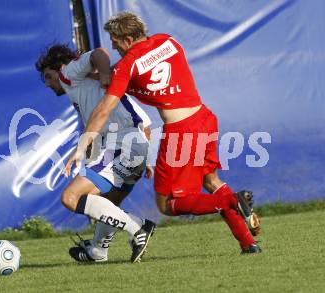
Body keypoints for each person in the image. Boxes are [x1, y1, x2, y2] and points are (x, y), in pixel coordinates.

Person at [65, 12, 262, 254]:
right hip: (205, 118)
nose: (114, 46)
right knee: (212, 181)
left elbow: (104, 109)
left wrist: (82, 145)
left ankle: (234, 200)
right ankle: (248, 243)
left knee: (168, 204)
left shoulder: (127, 66)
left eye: (115, 41)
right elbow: (142, 65)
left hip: (181, 131)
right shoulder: (169, 41)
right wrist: (108, 75)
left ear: (126, 38)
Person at [35, 44, 156, 263]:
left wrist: (105, 76)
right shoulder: (91, 91)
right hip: (134, 146)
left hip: (121, 146)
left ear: (57, 68)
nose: (48, 83)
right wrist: (145, 159)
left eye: (47, 76)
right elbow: (145, 123)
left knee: (71, 197)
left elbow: (100, 53)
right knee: (108, 205)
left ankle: (138, 227)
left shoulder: (67, 73)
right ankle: (98, 250)